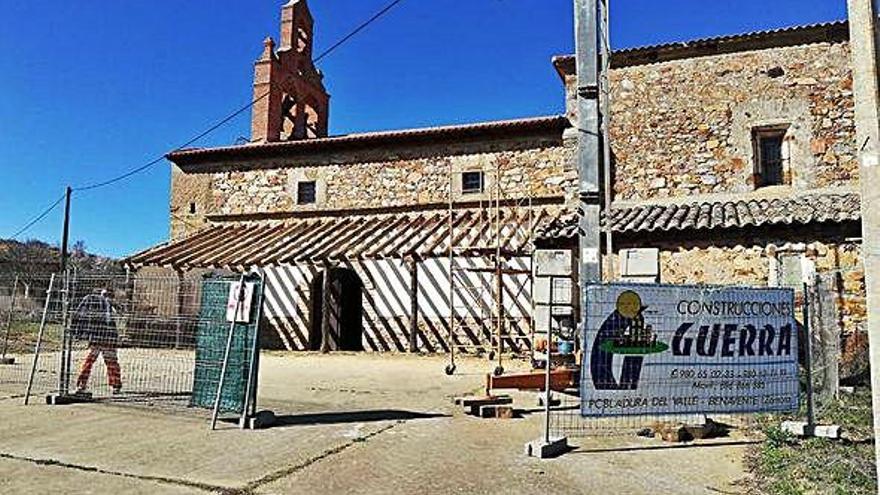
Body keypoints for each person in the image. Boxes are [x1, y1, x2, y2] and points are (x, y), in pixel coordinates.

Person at [71, 289, 122, 394]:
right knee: (111, 362)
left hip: (96, 336)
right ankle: (116, 385)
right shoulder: (108, 306)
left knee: (90, 361)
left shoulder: (93, 305)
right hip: (108, 337)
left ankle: (81, 384)